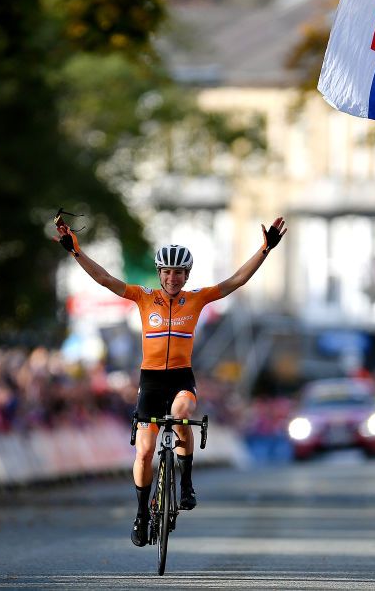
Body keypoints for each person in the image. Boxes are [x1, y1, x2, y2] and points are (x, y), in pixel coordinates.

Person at [54, 214, 287, 547]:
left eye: (179, 272)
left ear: (186, 275)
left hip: (181, 378)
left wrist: (265, 249)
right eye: (167, 272)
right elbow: (104, 279)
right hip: (150, 381)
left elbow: (236, 280)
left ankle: (187, 483)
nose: (173, 278)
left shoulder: (197, 299)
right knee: (145, 450)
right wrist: (75, 251)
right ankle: (140, 514)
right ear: (160, 274)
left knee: (181, 415)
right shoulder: (143, 297)